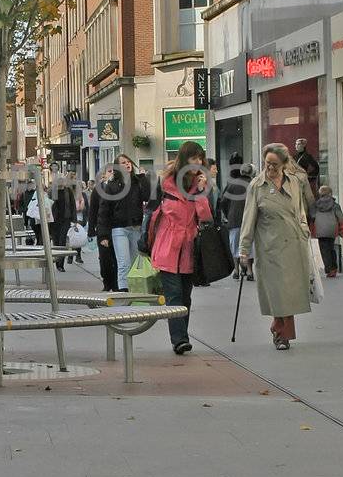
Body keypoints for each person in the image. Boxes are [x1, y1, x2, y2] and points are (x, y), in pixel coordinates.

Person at [237, 143, 313, 351]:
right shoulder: (256, 186)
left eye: (274, 164)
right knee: (279, 293)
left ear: (284, 164)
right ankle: (282, 335)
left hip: (294, 245)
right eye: (267, 163)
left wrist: (304, 230)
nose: (269, 168)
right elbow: (248, 219)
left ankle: (278, 328)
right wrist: (244, 249)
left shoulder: (294, 183)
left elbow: (300, 210)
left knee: (290, 293)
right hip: (270, 248)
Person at [149, 140, 214, 356]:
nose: (198, 162)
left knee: (185, 297)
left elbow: (205, 217)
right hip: (168, 246)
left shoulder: (200, 185)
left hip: (189, 249)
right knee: (174, 295)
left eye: (200, 158)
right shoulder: (167, 182)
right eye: (194, 158)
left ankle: (181, 336)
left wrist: (202, 192)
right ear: (184, 159)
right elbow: (164, 212)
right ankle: (179, 340)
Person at [100, 155, 149, 292]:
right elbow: (104, 210)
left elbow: (147, 196)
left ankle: (133, 290)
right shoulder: (112, 185)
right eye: (123, 163)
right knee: (124, 263)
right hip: (119, 229)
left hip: (135, 227)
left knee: (134, 263)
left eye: (128, 162)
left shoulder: (138, 181)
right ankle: (123, 292)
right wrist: (103, 235)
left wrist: (144, 178)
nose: (127, 164)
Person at [217, 154, 254, 280]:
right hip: (250, 221)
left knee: (235, 245)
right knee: (249, 245)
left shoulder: (232, 184)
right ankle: (249, 270)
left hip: (234, 220)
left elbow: (223, 202)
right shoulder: (254, 185)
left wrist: (228, 214)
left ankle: (237, 270)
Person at [87, 181, 118, 292]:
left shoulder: (121, 187)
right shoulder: (98, 189)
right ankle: (107, 282)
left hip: (117, 227)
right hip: (102, 228)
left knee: (116, 258)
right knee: (104, 258)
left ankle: (116, 284)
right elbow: (93, 210)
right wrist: (91, 229)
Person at [311, 184, 343, 278]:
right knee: (331, 248)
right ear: (330, 193)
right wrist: (341, 230)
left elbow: (312, 216)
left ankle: (329, 269)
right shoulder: (335, 205)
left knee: (324, 250)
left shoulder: (315, 205)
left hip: (320, 230)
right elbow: (341, 218)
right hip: (332, 230)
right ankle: (334, 267)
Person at [51, 170, 77, 272]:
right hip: (54, 221)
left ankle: (60, 264)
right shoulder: (52, 191)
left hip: (65, 219)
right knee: (56, 242)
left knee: (62, 242)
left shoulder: (68, 191)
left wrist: (74, 219)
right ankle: (57, 262)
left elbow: (72, 205)